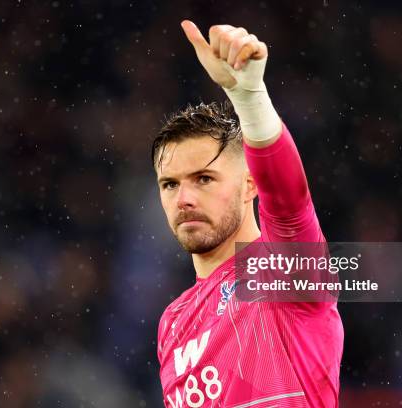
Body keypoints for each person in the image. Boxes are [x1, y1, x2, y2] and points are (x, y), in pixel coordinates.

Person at [153, 20, 344, 408]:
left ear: (250, 184)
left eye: (204, 178)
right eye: (170, 184)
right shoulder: (172, 322)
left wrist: (249, 98)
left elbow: (290, 202)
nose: (183, 198)